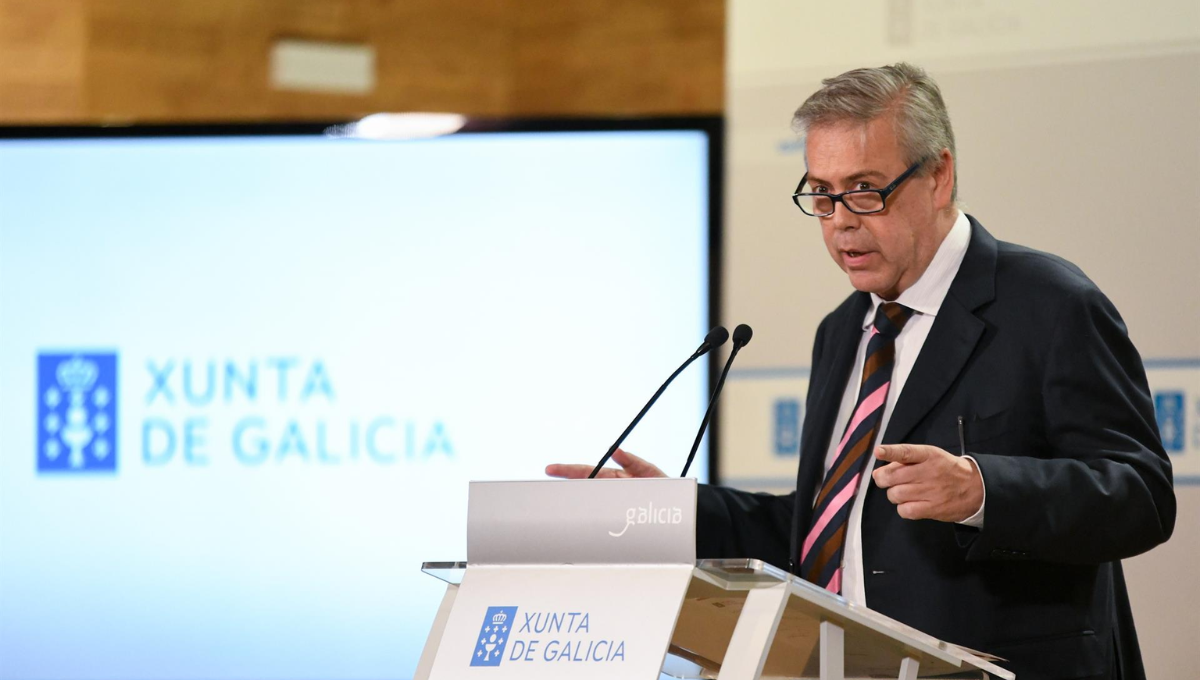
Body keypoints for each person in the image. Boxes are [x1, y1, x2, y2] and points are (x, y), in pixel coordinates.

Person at [547, 63, 1175, 679]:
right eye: (821, 194)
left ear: (938, 176)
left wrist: (983, 490)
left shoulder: (1048, 304)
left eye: (865, 190)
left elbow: (1141, 494)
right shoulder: (844, 329)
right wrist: (673, 512)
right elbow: (829, 527)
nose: (841, 219)